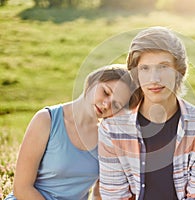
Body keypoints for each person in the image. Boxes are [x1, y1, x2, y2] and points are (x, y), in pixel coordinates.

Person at [98, 26, 195, 200]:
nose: (154, 79)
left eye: (163, 67)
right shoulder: (112, 128)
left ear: (180, 71)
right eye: (145, 68)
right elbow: (115, 196)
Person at [5, 64, 139, 200]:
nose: (106, 104)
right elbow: (21, 188)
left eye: (116, 105)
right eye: (105, 92)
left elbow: (99, 194)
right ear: (93, 81)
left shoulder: (106, 138)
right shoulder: (46, 119)